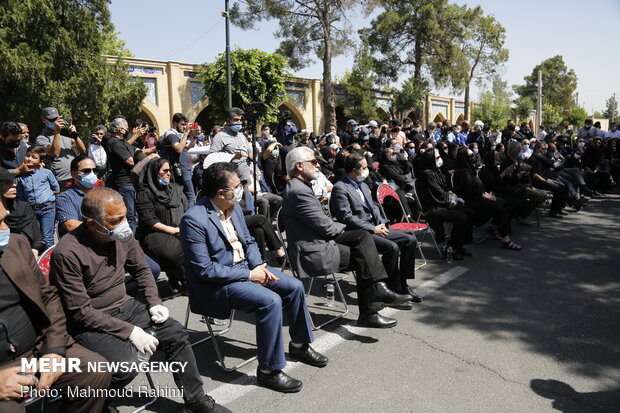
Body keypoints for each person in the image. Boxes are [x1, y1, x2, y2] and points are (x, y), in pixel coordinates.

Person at [50, 188, 229, 413]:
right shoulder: (67, 252)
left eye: (125, 216)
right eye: (116, 220)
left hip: (126, 306)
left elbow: (142, 270)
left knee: (176, 333)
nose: (125, 224)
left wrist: (154, 301)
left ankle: (195, 400)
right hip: (91, 321)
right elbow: (81, 312)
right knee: (126, 367)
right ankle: (94, 398)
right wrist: (131, 332)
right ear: (93, 224)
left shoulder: (120, 235)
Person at [180, 162, 327, 393]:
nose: (242, 190)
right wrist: (250, 274)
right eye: (237, 186)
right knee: (270, 301)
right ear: (221, 193)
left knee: (295, 287)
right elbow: (205, 270)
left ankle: (299, 345)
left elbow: (248, 241)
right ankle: (269, 371)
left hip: (247, 270)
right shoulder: (193, 219)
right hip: (218, 284)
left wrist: (258, 264)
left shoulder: (234, 207)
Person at [0, 200, 111, 413]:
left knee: (95, 371)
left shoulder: (17, 244)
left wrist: (54, 351)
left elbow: (48, 297)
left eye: (5, 220)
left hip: (37, 348)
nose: (5, 229)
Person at [281, 147, 411, 328]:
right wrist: (342, 226)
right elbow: (326, 227)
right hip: (314, 250)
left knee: (364, 239)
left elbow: (325, 223)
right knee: (363, 253)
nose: (318, 165)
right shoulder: (298, 191)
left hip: (321, 240)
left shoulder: (302, 187)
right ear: (299, 166)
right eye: (313, 162)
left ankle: (378, 293)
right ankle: (372, 305)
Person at [330, 153, 421, 310]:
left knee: (410, 240)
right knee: (391, 248)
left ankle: (402, 284)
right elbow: (346, 218)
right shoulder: (340, 188)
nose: (367, 171)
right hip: (360, 232)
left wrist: (381, 223)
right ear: (353, 170)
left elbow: (374, 207)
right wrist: (373, 228)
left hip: (377, 227)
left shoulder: (363, 185)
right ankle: (389, 290)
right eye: (364, 168)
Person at [453, 147, 522, 250]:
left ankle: (493, 228)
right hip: (471, 202)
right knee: (499, 207)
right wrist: (485, 195)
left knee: (503, 203)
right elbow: (471, 190)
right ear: (465, 158)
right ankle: (506, 240)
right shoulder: (464, 173)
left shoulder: (470, 170)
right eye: (471, 155)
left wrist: (487, 194)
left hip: (479, 198)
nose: (474, 157)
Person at [136, 158, 188, 294]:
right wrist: (172, 230)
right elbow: (148, 220)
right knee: (173, 251)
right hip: (155, 232)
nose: (169, 173)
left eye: (169, 170)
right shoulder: (144, 191)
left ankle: (186, 279)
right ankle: (179, 276)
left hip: (177, 228)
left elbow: (186, 209)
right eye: (164, 171)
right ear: (154, 173)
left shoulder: (174, 189)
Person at [416, 149, 474, 259]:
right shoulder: (426, 174)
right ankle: (450, 247)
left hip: (443, 203)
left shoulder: (436, 171)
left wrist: (451, 194)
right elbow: (437, 193)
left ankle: (459, 245)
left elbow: (444, 187)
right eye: (437, 158)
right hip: (433, 207)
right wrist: (450, 198)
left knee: (469, 213)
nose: (440, 159)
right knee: (461, 218)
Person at [15, 145, 59, 249]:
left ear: (40, 161)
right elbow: (21, 197)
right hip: (32, 210)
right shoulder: (21, 177)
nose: (29, 159)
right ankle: (38, 259)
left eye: (34, 157)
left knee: (47, 236)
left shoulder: (46, 173)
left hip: (47, 208)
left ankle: (49, 261)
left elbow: (56, 188)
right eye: (28, 156)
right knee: (37, 237)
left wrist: (48, 197)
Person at [35, 107, 86, 190]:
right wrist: (57, 132)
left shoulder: (65, 134)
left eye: (56, 119)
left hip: (75, 176)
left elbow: (82, 150)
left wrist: (75, 135)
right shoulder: (41, 138)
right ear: (43, 120)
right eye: (52, 120)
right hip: (60, 180)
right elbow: (55, 153)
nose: (55, 122)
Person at [1, 168, 46, 258]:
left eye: (14, 181)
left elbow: (39, 240)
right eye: (7, 182)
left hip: (28, 258)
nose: (14, 185)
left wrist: (35, 250)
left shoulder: (24, 208)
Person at [158, 113, 197, 207]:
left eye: (185, 124)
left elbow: (187, 147)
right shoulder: (171, 135)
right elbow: (179, 149)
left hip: (184, 168)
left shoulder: (179, 135)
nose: (184, 127)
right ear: (175, 124)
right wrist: (186, 134)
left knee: (185, 195)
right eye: (182, 124)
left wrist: (194, 136)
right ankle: (191, 218)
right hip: (180, 169)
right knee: (191, 195)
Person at [209, 108, 254, 184]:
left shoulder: (242, 136)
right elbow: (212, 158)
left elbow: (250, 152)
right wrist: (232, 157)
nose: (239, 122)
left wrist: (252, 155)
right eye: (236, 120)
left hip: (245, 179)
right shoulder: (220, 137)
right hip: (230, 182)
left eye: (240, 120)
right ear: (228, 120)